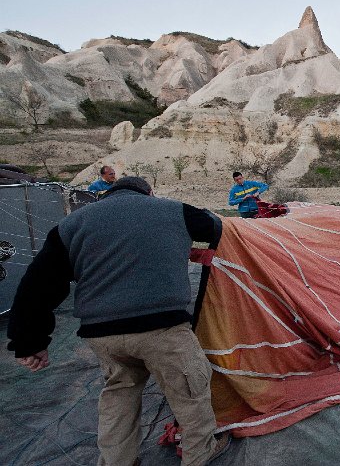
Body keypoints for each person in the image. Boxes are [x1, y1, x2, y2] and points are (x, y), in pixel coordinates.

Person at [7, 176, 229, 466]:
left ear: (106, 195)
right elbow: (215, 228)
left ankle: (117, 461)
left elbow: (37, 285)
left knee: (119, 394)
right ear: (150, 192)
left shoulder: (72, 224)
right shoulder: (173, 210)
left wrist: (29, 342)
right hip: (161, 329)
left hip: (103, 335)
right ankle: (199, 455)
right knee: (190, 392)